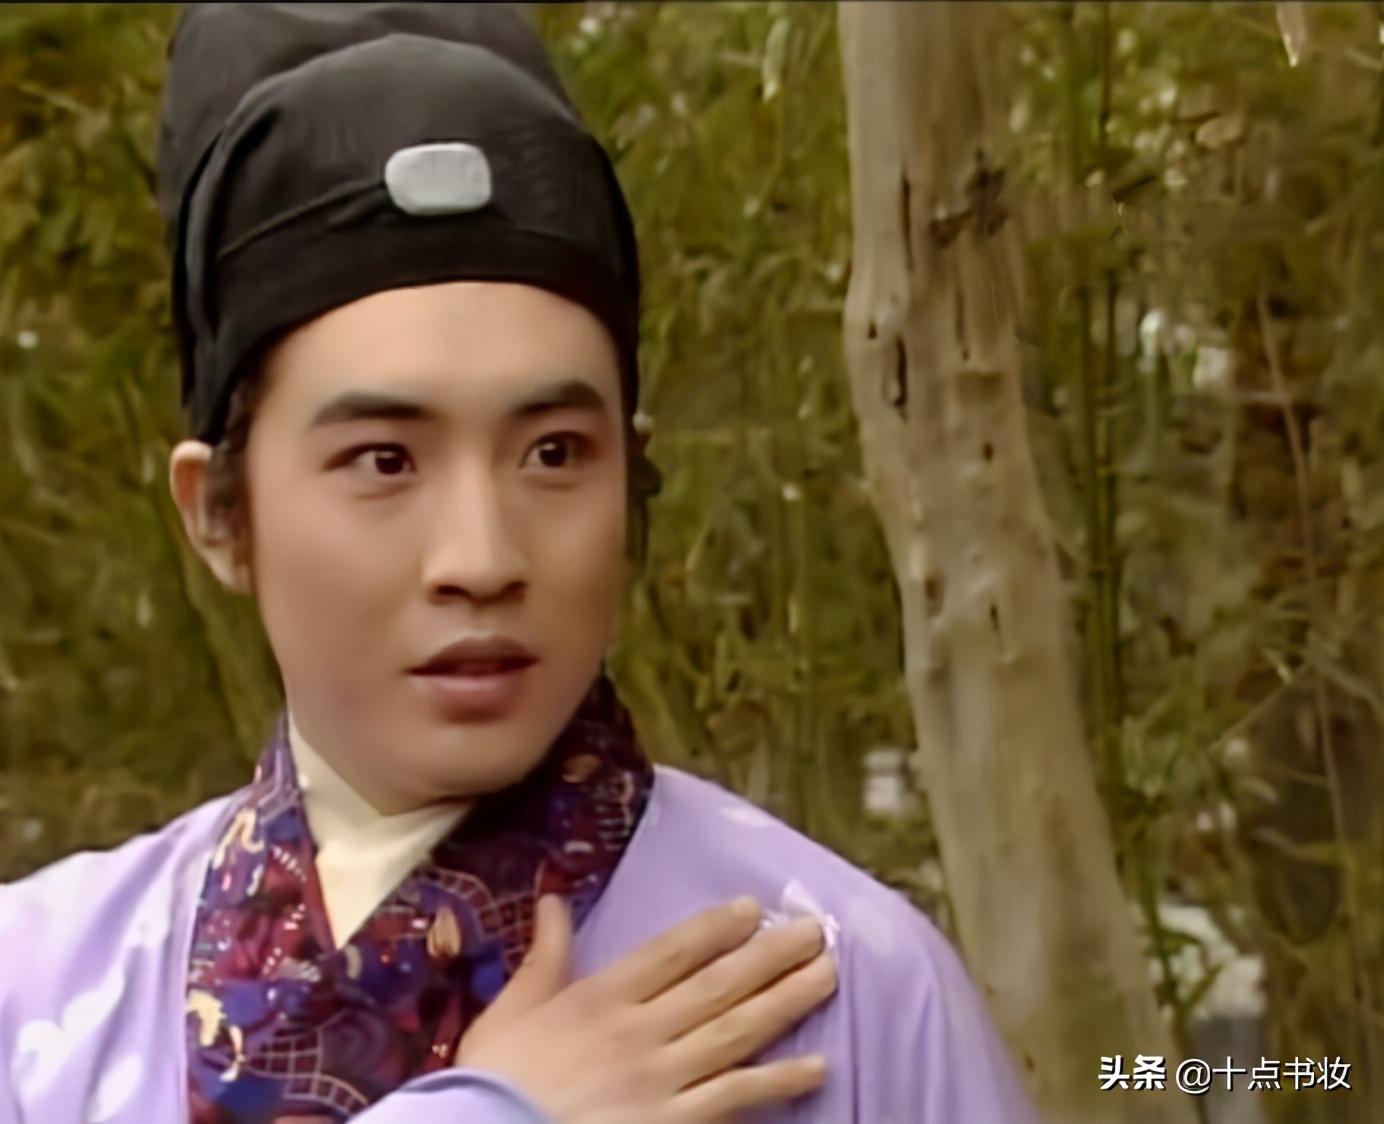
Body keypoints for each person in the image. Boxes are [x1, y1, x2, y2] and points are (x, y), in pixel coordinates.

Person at [0, 5, 1039, 1122]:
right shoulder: (35, 993)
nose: (482, 558)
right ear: (217, 512)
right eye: (384, 459)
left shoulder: (845, 987)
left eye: (553, 453)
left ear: (631, 477)